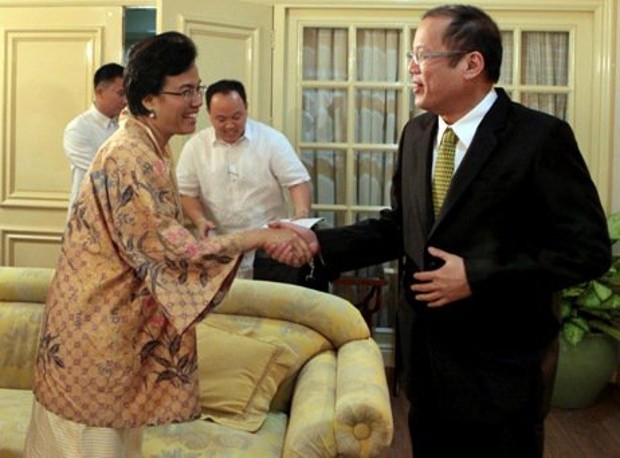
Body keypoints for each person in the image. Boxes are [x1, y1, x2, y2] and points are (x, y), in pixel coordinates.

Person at [268, 5, 612, 458]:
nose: (410, 69)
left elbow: (587, 250)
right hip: (428, 367)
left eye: (421, 55)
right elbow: (400, 227)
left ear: (472, 63)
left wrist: (479, 276)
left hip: (503, 372)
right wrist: (320, 243)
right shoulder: (417, 134)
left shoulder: (540, 138)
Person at [24, 31, 311, 457]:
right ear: (149, 99)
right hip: (98, 332)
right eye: (186, 91)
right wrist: (260, 237)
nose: (198, 101)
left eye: (199, 88)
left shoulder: (150, 146)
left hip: (113, 326)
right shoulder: (129, 154)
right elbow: (170, 249)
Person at [176, 79, 315, 284]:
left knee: (271, 307)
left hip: (270, 248)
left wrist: (301, 215)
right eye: (221, 119)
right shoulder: (195, 147)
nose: (230, 125)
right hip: (221, 247)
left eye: (236, 117)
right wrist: (199, 220)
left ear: (246, 108)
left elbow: (298, 181)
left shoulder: (271, 140)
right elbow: (186, 192)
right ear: (209, 115)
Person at [64, 63, 127, 212]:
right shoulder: (78, 129)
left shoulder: (125, 125)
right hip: (88, 214)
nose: (125, 101)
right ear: (100, 92)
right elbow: (99, 173)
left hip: (119, 213)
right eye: (120, 93)